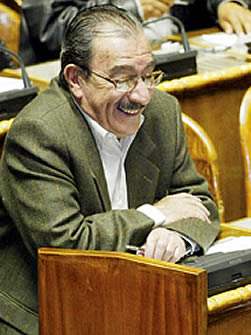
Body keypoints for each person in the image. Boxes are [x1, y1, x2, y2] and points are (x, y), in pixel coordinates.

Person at [0, 5, 219, 334]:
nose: (142, 94)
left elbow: (199, 202)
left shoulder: (161, 112)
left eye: (148, 75)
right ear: (76, 79)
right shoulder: (40, 132)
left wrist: (176, 235)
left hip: (135, 296)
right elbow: (66, 247)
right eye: (124, 79)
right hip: (50, 311)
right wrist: (155, 216)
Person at [19, 0, 251, 65]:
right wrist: (131, 9)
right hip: (92, 74)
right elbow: (50, 31)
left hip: (178, 56)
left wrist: (224, 4)